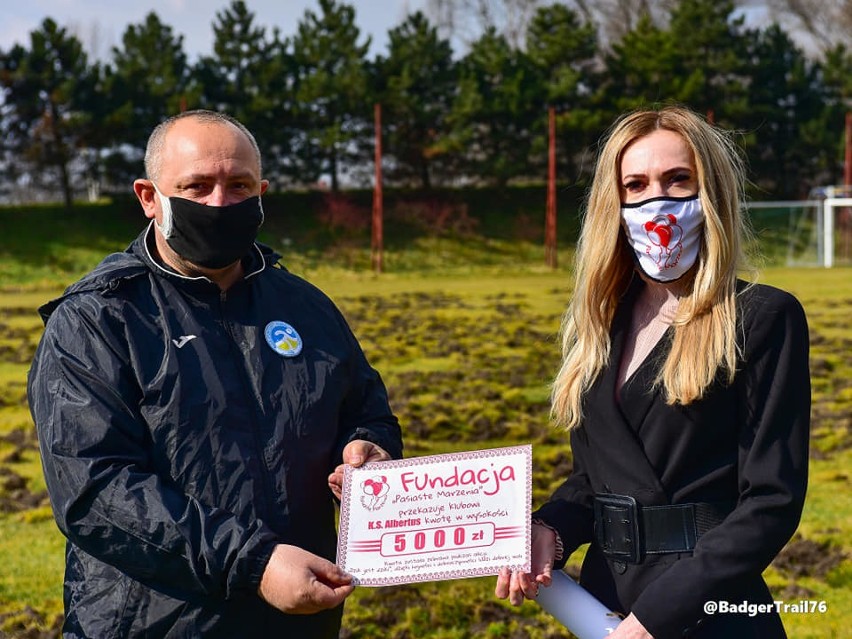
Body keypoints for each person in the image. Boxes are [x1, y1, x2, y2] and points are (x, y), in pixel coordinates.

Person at [28, 109, 403, 638]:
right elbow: (95, 491)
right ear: (149, 197)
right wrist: (254, 563)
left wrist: (370, 447)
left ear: (262, 193)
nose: (219, 203)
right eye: (196, 186)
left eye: (239, 185)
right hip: (154, 623)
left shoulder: (304, 305)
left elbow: (366, 410)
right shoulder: (98, 319)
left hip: (298, 619)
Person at [495, 106, 810, 638]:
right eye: (635, 185)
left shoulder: (762, 318)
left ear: (710, 192)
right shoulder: (598, 325)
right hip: (603, 607)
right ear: (613, 205)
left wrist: (652, 621)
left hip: (707, 609)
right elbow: (595, 479)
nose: (656, 199)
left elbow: (771, 503)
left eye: (677, 179)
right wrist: (552, 528)